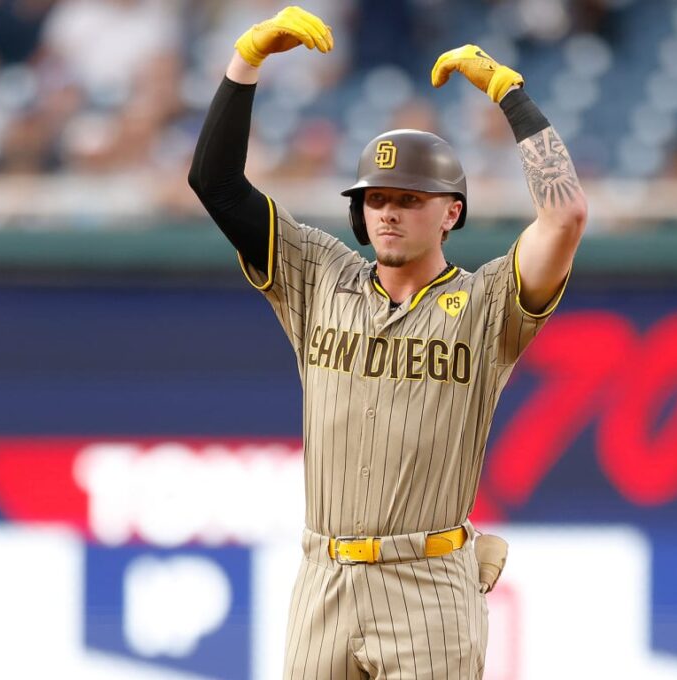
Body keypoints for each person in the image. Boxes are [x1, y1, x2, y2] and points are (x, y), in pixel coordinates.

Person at [188, 6, 587, 679]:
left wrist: (511, 97)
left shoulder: (487, 303)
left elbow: (566, 213)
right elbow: (217, 184)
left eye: (409, 198)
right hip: (326, 578)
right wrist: (244, 64)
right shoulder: (317, 273)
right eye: (376, 199)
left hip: (427, 585)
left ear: (450, 211)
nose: (389, 212)